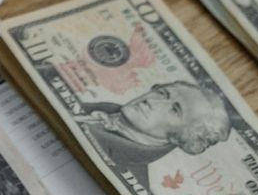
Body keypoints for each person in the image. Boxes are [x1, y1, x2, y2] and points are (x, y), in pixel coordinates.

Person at [76, 80, 231, 187]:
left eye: (175, 110)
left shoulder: (128, 179)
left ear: (184, 136)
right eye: (162, 93)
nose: (152, 101)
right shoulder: (91, 109)